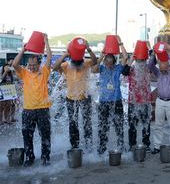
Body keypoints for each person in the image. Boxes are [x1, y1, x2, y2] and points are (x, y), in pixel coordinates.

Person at [12, 33, 52, 166]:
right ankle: (30, 158)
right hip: (28, 110)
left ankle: (45, 157)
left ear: (39, 64)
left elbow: (49, 58)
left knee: (45, 135)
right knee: (27, 135)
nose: (32, 67)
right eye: (30, 65)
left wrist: (46, 41)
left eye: (34, 65)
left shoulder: (44, 72)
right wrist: (23, 50)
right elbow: (15, 64)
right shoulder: (25, 73)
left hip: (42, 109)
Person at [53, 39, 97, 150]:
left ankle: (88, 144)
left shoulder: (86, 63)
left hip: (85, 97)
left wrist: (88, 49)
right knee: (73, 123)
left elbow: (95, 61)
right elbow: (54, 67)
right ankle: (74, 145)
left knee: (87, 121)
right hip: (71, 98)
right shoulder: (66, 65)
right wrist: (65, 54)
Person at [92, 36, 128, 154]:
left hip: (116, 101)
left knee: (119, 126)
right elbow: (94, 68)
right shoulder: (101, 68)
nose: (108, 62)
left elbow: (126, 57)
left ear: (114, 60)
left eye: (110, 59)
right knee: (103, 127)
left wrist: (120, 43)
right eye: (106, 59)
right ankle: (101, 150)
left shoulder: (118, 68)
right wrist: (103, 54)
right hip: (103, 102)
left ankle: (121, 147)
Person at [149, 45, 170, 154]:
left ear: (168, 67)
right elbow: (151, 66)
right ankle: (157, 146)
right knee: (158, 125)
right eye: (160, 68)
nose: (161, 70)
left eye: (163, 68)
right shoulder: (158, 73)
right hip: (160, 101)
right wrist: (153, 54)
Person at [123, 45, 153, 151]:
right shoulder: (131, 69)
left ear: (145, 60)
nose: (141, 62)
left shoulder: (148, 68)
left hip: (145, 101)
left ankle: (146, 144)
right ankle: (132, 144)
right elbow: (124, 71)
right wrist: (132, 59)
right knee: (132, 124)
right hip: (133, 101)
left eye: (142, 60)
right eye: (139, 60)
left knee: (146, 124)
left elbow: (154, 60)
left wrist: (150, 49)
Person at [0, 59, 16, 124]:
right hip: (2, 90)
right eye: (5, 67)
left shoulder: (11, 74)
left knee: (8, 106)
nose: (7, 68)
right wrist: (5, 72)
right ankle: (1, 120)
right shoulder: (2, 72)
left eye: (8, 67)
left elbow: (14, 80)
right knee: (1, 106)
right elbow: (0, 80)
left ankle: (7, 119)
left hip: (9, 91)